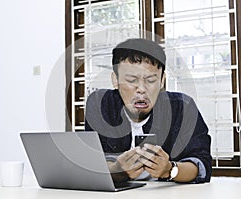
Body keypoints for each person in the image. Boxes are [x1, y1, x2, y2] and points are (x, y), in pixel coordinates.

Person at [85, 38, 212, 183]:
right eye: (131, 80)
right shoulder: (100, 104)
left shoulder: (183, 107)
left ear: (162, 81)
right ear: (115, 80)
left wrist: (170, 170)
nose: (141, 89)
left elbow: (202, 166)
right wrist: (117, 169)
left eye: (151, 80)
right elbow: (93, 164)